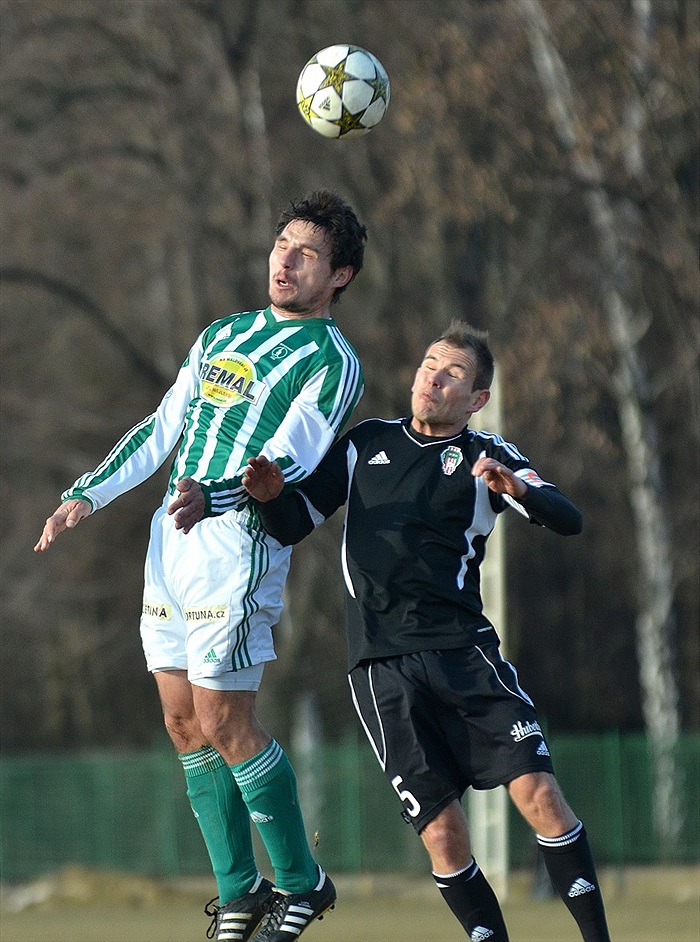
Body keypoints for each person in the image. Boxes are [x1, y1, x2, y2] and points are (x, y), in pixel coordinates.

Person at [34, 190, 368, 942]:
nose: (285, 259)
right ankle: (240, 893)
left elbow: (295, 452)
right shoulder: (223, 333)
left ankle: (302, 884)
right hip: (170, 539)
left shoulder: (331, 359)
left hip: (234, 540)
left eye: (307, 252)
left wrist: (218, 491)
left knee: (224, 718)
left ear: (339, 275)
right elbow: (164, 424)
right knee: (183, 722)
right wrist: (86, 493)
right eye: (282, 243)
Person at [242, 321, 612, 942]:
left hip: (466, 656)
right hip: (381, 669)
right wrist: (271, 496)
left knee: (541, 795)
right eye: (428, 366)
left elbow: (567, 518)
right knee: (443, 835)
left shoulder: (486, 455)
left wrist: (514, 487)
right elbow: (291, 522)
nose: (432, 380)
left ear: (476, 400)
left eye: (453, 375)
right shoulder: (364, 444)